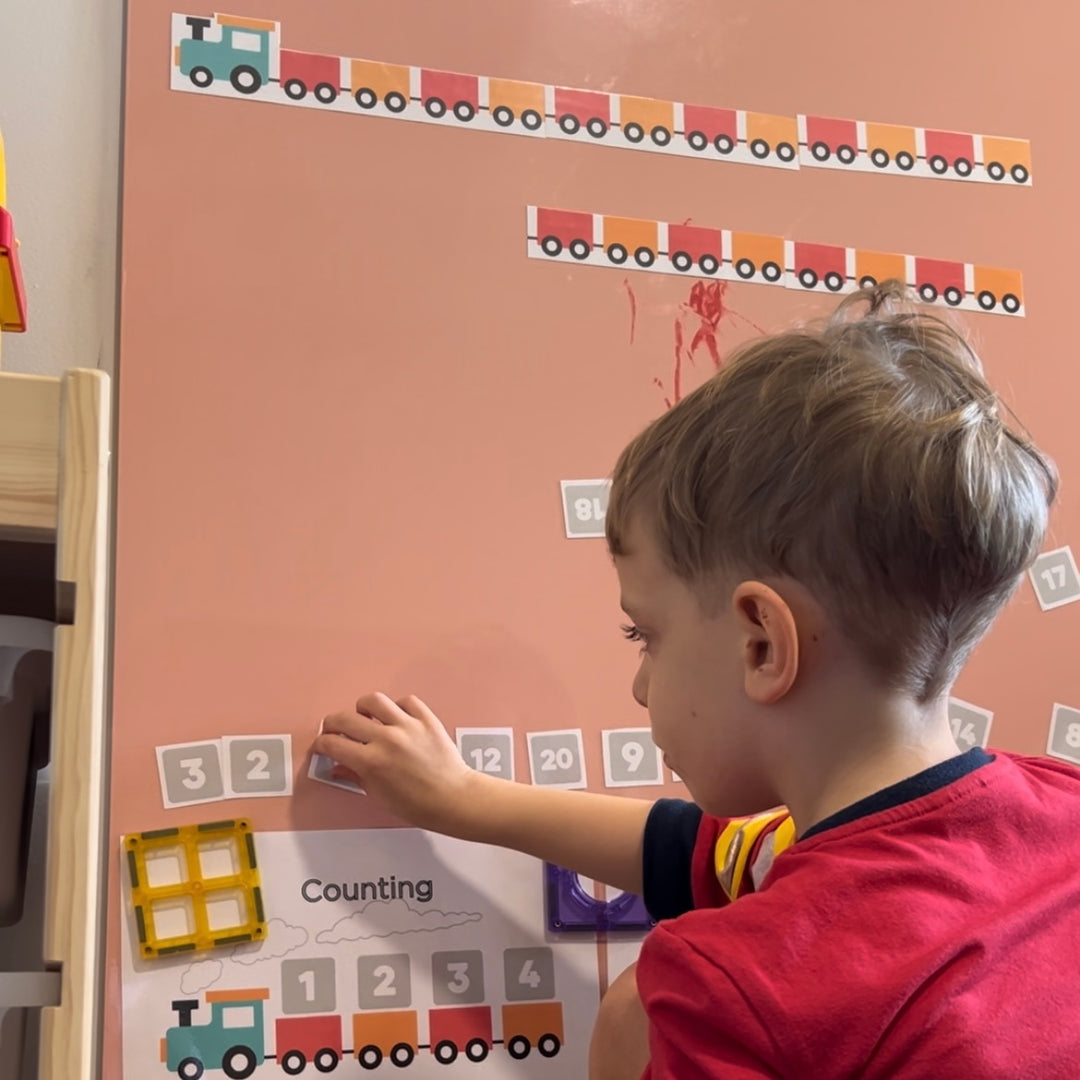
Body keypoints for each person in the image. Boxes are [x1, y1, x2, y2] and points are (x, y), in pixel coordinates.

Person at [311, 282, 1080, 1079]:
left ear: (761, 645)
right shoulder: (1059, 811)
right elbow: (696, 853)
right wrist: (460, 800)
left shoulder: (725, 991)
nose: (641, 687)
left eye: (644, 634)